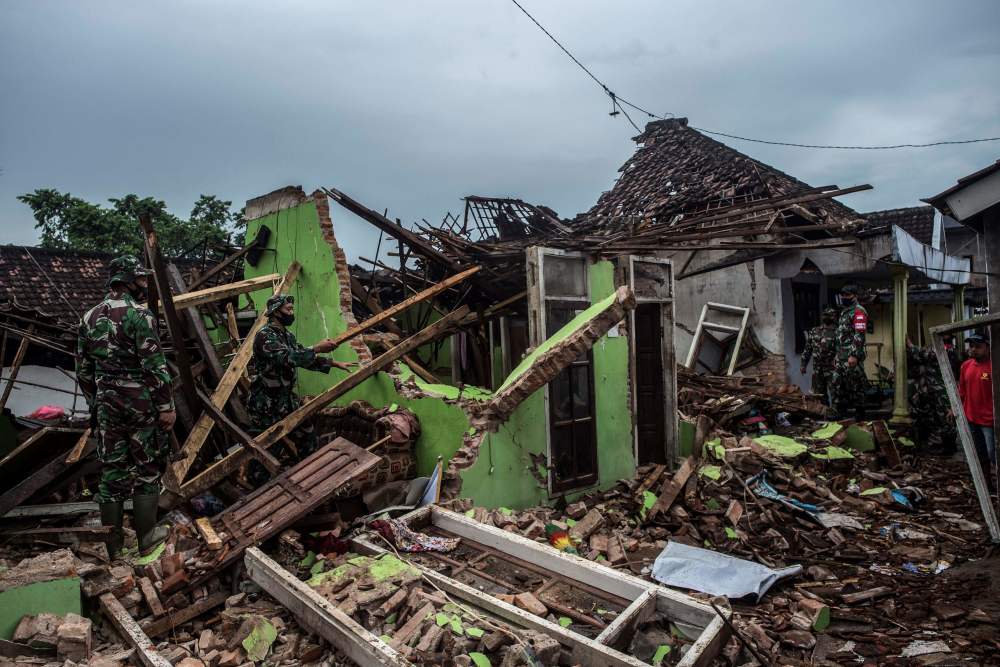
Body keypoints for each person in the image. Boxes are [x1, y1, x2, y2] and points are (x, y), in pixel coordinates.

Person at [77, 256, 175, 557]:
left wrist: (97, 403)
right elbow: (154, 366)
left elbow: (84, 371)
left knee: (112, 472)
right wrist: (165, 406)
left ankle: (113, 546)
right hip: (139, 403)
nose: (145, 284)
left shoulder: (89, 317)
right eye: (142, 279)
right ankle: (147, 538)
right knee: (146, 468)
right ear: (127, 281)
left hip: (107, 403)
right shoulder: (139, 316)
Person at [246, 294, 354, 480]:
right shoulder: (265, 336)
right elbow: (287, 357)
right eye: (288, 310)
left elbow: (302, 357)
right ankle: (257, 488)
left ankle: (308, 479)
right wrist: (317, 348)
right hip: (266, 403)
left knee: (307, 436)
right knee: (267, 449)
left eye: (291, 309)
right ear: (275, 312)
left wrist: (333, 363)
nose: (291, 312)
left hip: (286, 401)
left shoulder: (287, 335)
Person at [958, 332, 996, 486]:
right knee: (979, 453)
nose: (973, 349)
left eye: (978, 346)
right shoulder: (966, 365)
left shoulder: (994, 365)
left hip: (990, 420)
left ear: (988, 347)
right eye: (971, 346)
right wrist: (954, 408)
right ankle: (985, 486)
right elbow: (962, 390)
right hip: (971, 417)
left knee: (992, 454)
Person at [906, 336, 956, 453]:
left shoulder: (945, 349)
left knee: (943, 419)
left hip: (940, 392)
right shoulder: (943, 349)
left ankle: (946, 446)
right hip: (934, 391)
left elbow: (923, 354)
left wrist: (910, 344)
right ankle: (943, 445)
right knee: (936, 419)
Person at [830, 284, 869, 420]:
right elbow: (840, 336)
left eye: (847, 295)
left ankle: (860, 415)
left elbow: (859, 334)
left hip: (851, 358)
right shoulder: (844, 312)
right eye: (843, 295)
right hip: (841, 357)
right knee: (836, 384)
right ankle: (838, 414)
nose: (844, 297)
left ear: (855, 296)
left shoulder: (859, 311)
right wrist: (836, 354)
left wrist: (853, 355)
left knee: (855, 386)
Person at [800, 306, 839, 404]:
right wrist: (803, 364)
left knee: (835, 393)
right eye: (824, 315)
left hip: (832, 369)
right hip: (818, 369)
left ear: (834, 317)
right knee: (820, 394)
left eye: (829, 315)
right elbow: (808, 348)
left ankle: (836, 414)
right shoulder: (815, 331)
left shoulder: (838, 332)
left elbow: (841, 350)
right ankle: (824, 414)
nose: (826, 317)